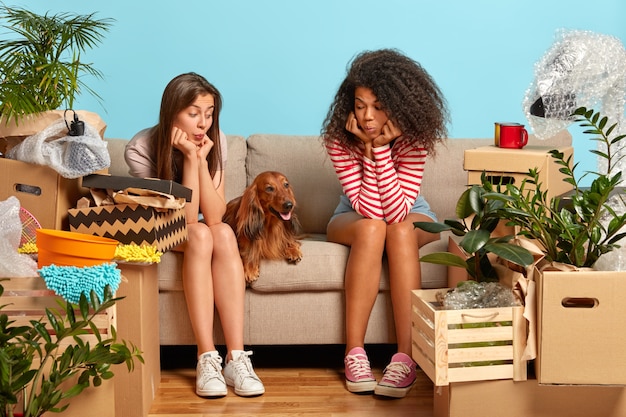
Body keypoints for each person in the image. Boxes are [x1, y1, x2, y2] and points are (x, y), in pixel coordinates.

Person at [124, 72, 264, 398]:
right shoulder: (141, 147)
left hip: (202, 227)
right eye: (193, 113)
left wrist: (200, 160)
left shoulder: (218, 140)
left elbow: (214, 215)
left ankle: (236, 358)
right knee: (200, 234)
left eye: (210, 112)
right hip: (159, 225)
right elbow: (184, 217)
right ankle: (205, 357)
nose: (203, 122)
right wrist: (188, 156)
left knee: (223, 233)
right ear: (172, 112)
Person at [321, 49, 449, 398]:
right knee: (373, 227)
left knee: (400, 229)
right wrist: (366, 149)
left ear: (399, 104)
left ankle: (405, 358)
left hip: (408, 208)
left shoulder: (414, 139)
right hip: (352, 211)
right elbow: (369, 210)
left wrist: (378, 150)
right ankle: (354, 353)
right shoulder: (339, 138)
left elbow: (396, 213)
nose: (366, 116)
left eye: (378, 106)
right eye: (360, 105)